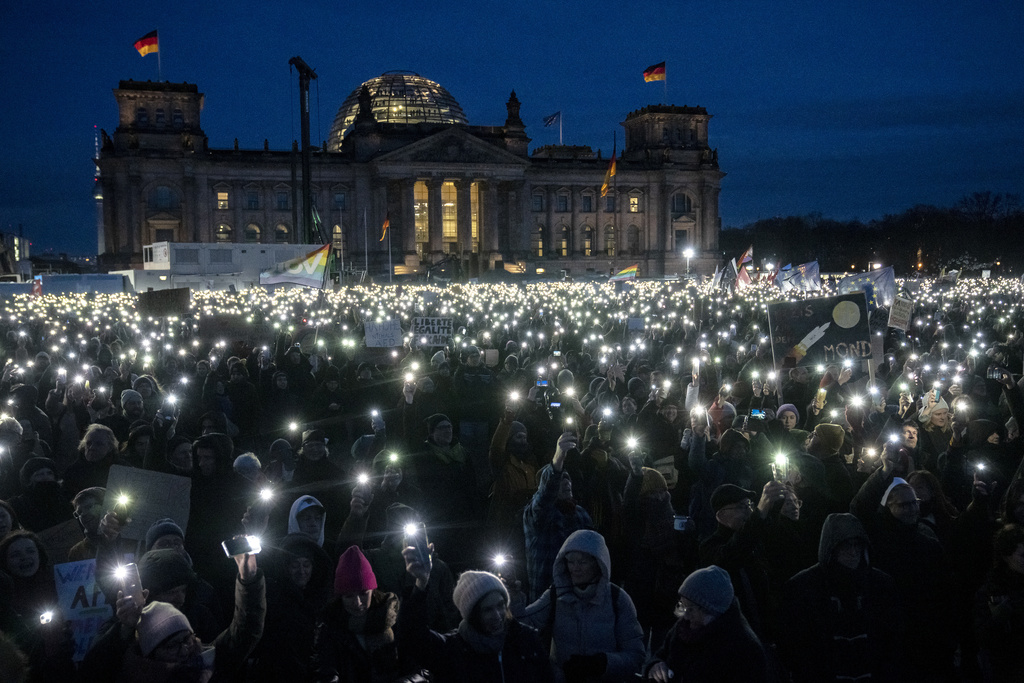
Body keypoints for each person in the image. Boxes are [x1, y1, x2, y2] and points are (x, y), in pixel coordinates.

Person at [79, 540, 265, 682]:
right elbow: (93, 670)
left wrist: (248, 581)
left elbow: (244, 632)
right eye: (171, 592)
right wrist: (125, 629)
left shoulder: (204, 653)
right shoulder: (124, 635)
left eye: (183, 590)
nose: (180, 598)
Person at [779, 513, 905, 683]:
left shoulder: (881, 584)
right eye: (845, 546)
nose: (853, 552)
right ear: (832, 548)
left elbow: (894, 639)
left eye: (857, 545)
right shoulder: (803, 587)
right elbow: (796, 647)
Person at [399, 552, 553, 683]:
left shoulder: (526, 640)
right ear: (472, 615)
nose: (497, 615)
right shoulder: (453, 651)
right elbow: (413, 636)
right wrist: (421, 583)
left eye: (500, 605)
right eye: (488, 610)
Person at [518, 529, 644, 683]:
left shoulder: (618, 599)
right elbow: (522, 623)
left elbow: (636, 655)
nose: (575, 568)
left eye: (582, 562)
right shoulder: (556, 595)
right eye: (570, 561)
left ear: (598, 563)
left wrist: (602, 664)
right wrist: (512, 596)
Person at [645, 566, 770, 683]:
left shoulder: (744, 649)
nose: (685, 615)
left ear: (711, 610)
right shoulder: (684, 628)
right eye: (682, 605)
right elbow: (661, 655)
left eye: (691, 609)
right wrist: (656, 665)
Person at [311, 545, 406, 682]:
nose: (358, 603)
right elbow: (325, 668)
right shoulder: (330, 629)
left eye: (363, 594)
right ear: (340, 597)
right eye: (349, 596)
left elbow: (411, 661)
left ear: (373, 591)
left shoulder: (392, 619)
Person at [523, 432, 593, 600]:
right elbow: (546, 495)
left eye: (568, 479)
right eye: (561, 480)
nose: (566, 482)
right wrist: (557, 461)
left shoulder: (581, 513)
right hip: (548, 595)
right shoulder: (536, 514)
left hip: (580, 593)